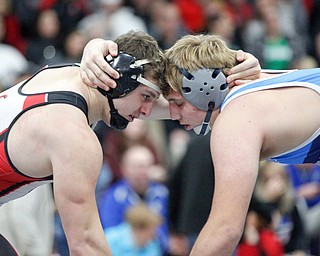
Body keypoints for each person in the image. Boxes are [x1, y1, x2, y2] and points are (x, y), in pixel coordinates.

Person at [0, 30, 167, 256]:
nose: (146, 111)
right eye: (145, 97)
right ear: (120, 79)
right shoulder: (74, 136)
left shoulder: (65, 73)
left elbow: (175, 107)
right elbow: (86, 246)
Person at [158, 34, 320, 255]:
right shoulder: (251, 85)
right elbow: (145, 105)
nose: (173, 115)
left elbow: (225, 230)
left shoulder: (234, 122)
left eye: (177, 103)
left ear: (205, 88)